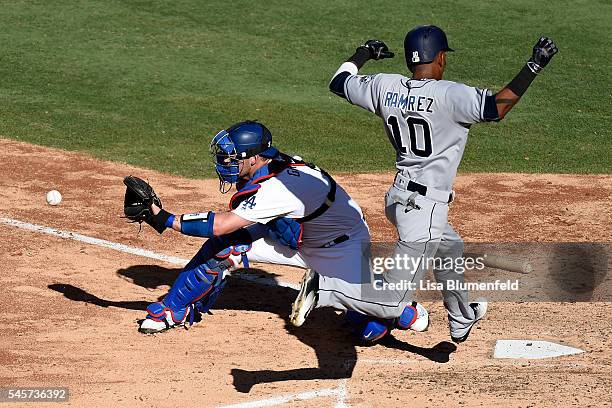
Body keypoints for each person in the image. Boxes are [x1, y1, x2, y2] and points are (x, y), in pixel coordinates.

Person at [290, 26, 558, 343]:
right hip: (425, 208)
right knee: (393, 301)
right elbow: (497, 107)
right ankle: (324, 290)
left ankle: (461, 316)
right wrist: (533, 66)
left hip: (399, 197)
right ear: (440, 57)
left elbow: (338, 83)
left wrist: (363, 52)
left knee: (450, 248)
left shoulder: (384, 85)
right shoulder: (451, 95)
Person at [131, 120, 428, 342]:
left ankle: (404, 313)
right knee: (227, 246)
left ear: (253, 158)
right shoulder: (276, 164)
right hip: (314, 239)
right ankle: (173, 310)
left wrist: (163, 218)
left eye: (232, 158)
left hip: (339, 250)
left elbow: (220, 223)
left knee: (367, 326)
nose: (224, 163)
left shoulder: (277, 188)